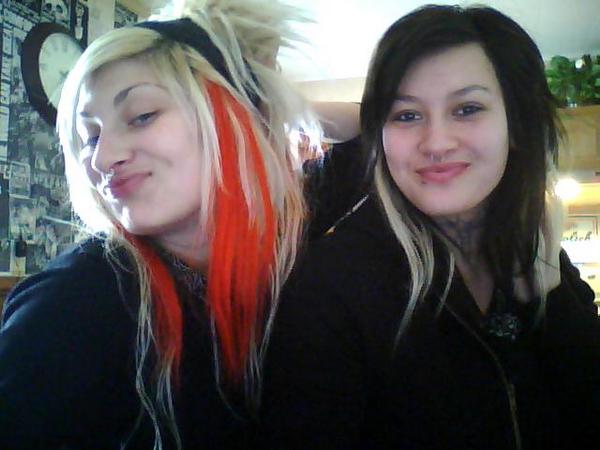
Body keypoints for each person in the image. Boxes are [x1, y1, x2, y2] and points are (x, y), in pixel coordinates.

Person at [0, 0, 363, 448]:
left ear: (229, 114)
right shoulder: (74, 304)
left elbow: (379, 130)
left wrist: (264, 104)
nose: (103, 157)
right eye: (89, 136)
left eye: (142, 116)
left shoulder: (283, 231)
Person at [261, 5, 600, 450]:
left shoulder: (541, 259)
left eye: (467, 109)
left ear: (516, 126)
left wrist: (548, 297)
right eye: (407, 115)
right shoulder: (330, 287)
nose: (436, 143)